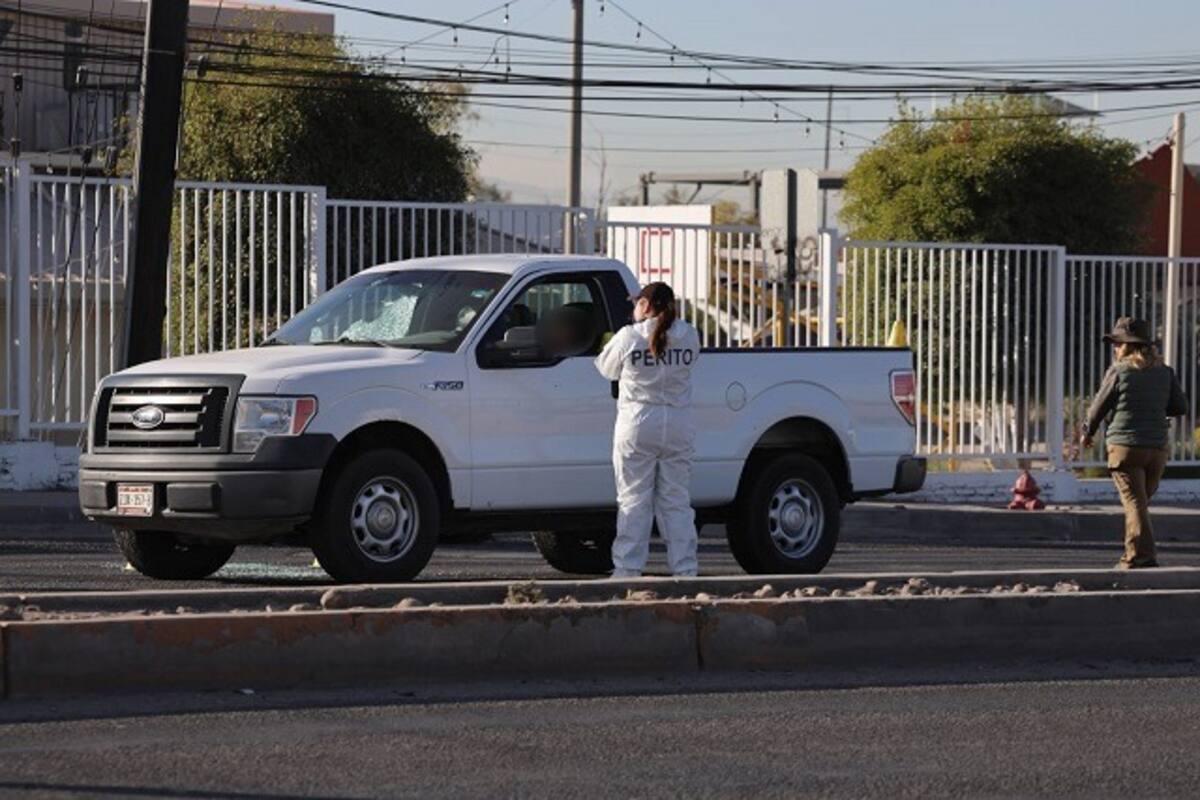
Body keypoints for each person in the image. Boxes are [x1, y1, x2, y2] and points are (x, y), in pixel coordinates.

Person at [595, 282, 701, 578]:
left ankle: (628, 569)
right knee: (676, 501)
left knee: (633, 500)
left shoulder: (629, 336)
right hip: (678, 423)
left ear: (644, 305)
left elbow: (606, 368)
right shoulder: (689, 335)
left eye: (637, 303)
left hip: (638, 422)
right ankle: (685, 570)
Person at [1081, 317, 1188, 569]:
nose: (1115, 349)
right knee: (1139, 505)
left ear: (1128, 346)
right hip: (1157, 450)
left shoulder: (1119, 371)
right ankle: (1134, 554)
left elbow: (1099, 406)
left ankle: (1140, 558)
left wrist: (1088, 432)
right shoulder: (1165, 372)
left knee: (1135, 504)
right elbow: (1180, 406)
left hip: (1125, 448)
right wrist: (1154, 406)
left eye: (1118, 344)